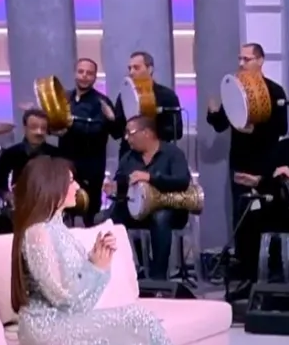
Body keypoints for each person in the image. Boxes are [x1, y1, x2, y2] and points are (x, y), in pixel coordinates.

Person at [10, 156, 235, 345]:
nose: (76, 186)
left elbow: (80, 303)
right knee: (136, 319)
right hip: (43, 325)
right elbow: (61, 296)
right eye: (70, 182)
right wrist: (96, 268)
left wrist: (97, 265)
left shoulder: (59, 229)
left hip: (65, 318)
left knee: (129, 331)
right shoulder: (38, 232)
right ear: (53, 186)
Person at [207, 43, 289, 278]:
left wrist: (254, 129)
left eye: (247, 59)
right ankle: (245, 269)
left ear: (260, 61)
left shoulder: (275, 91)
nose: (242, 63)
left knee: (268, 211)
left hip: (267, 162)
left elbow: (282, 128)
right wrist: (213, 112)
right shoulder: (236, 89)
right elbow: (221, 123)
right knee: (242, 213)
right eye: (240, 59)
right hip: (240, 161)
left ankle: (272, 268)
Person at [233, 102, 289, 289]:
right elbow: (269, 178)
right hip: (281, 208)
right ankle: (250, 279)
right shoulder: (283, 147)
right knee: (250, 216)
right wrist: (256, 181)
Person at [106, 116, 193, 281]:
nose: (126, 138)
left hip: (171, 210)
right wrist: (115, 187)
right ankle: (119, 274)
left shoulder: (172, 153)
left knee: (160, 217)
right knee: (108, 217)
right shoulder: (129, 157)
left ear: (146, 133)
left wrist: (150, 178)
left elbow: (182, 181)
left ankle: (158, 278)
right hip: (138, 211)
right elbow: (121, 182)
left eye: (130, 133)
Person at [56, 57, 116, 225]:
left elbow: (99, 131)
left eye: (89, 73)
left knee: (90, 213)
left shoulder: (102, 102)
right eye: (81, 72)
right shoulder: (64, 99)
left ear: (95, 77)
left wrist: (70, 125)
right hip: (66, 164)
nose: (84, 76)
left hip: (91, 167)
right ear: (75, 73)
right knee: (63, 208)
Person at [110, 51, 183, 152]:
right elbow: (116, 133)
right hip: (130, 154)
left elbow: (177, 131)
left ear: (149, 69)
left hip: (160, 154)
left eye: (136, 68)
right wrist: (111, 118)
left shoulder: (167, 95)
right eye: (130, 68)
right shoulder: (124, 96)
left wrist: (147, 131)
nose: (131, 72)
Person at [0, 109, 62, 197]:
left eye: (43, 128)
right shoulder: (10, 154)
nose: (39, 132)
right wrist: (7, 196)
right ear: (25, 129)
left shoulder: (56, 155)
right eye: (34, 127)